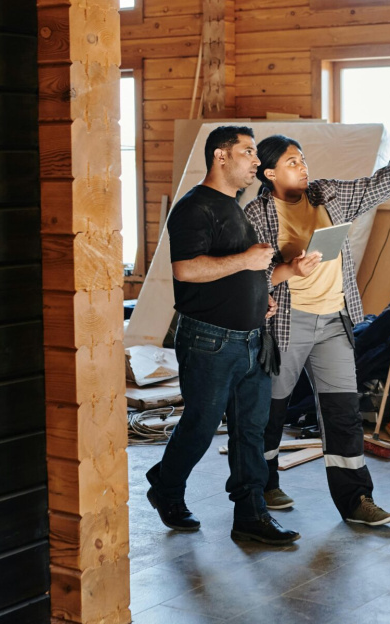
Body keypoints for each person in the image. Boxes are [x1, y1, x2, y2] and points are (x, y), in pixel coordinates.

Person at [244, 117, 390, 526]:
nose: (302, 167)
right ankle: (262, 483)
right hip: (287, 323)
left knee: (342, 412)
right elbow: (249, 275)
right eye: (291, 162)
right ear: (269, 174)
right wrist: (291, 268)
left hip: (334, 320)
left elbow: (380, 184)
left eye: (302, 159)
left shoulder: (328, 194)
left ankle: (357, 500)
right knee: (272, 410)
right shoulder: (257, 214)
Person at [144, 125, 299, 545]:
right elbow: (186, 269)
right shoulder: (195, 208)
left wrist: (260, 299)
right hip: (210, 341)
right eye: (247, 152)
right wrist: (248, 260)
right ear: (220, 156)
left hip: (252, 339)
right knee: (200, 424)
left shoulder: (235, 206)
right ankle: (166, 487)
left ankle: (250, 515)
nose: (255, 160)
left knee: (251, 430)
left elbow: (240, 273)